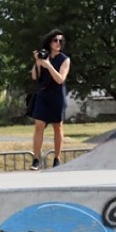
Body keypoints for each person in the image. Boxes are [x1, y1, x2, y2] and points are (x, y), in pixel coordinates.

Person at [30, 29, 71, 171]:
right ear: (49, 42)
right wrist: (38, 62)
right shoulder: (44, 56)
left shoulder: (65, 59)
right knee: (39, 126)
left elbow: (60, 79)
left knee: (57, 126)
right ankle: (36, 159)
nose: (58, 43)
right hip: (43, 94)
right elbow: (35, 77)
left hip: (57, 95)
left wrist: (48, 65)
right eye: (55, 40)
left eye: (61, 41)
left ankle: (57, 158)